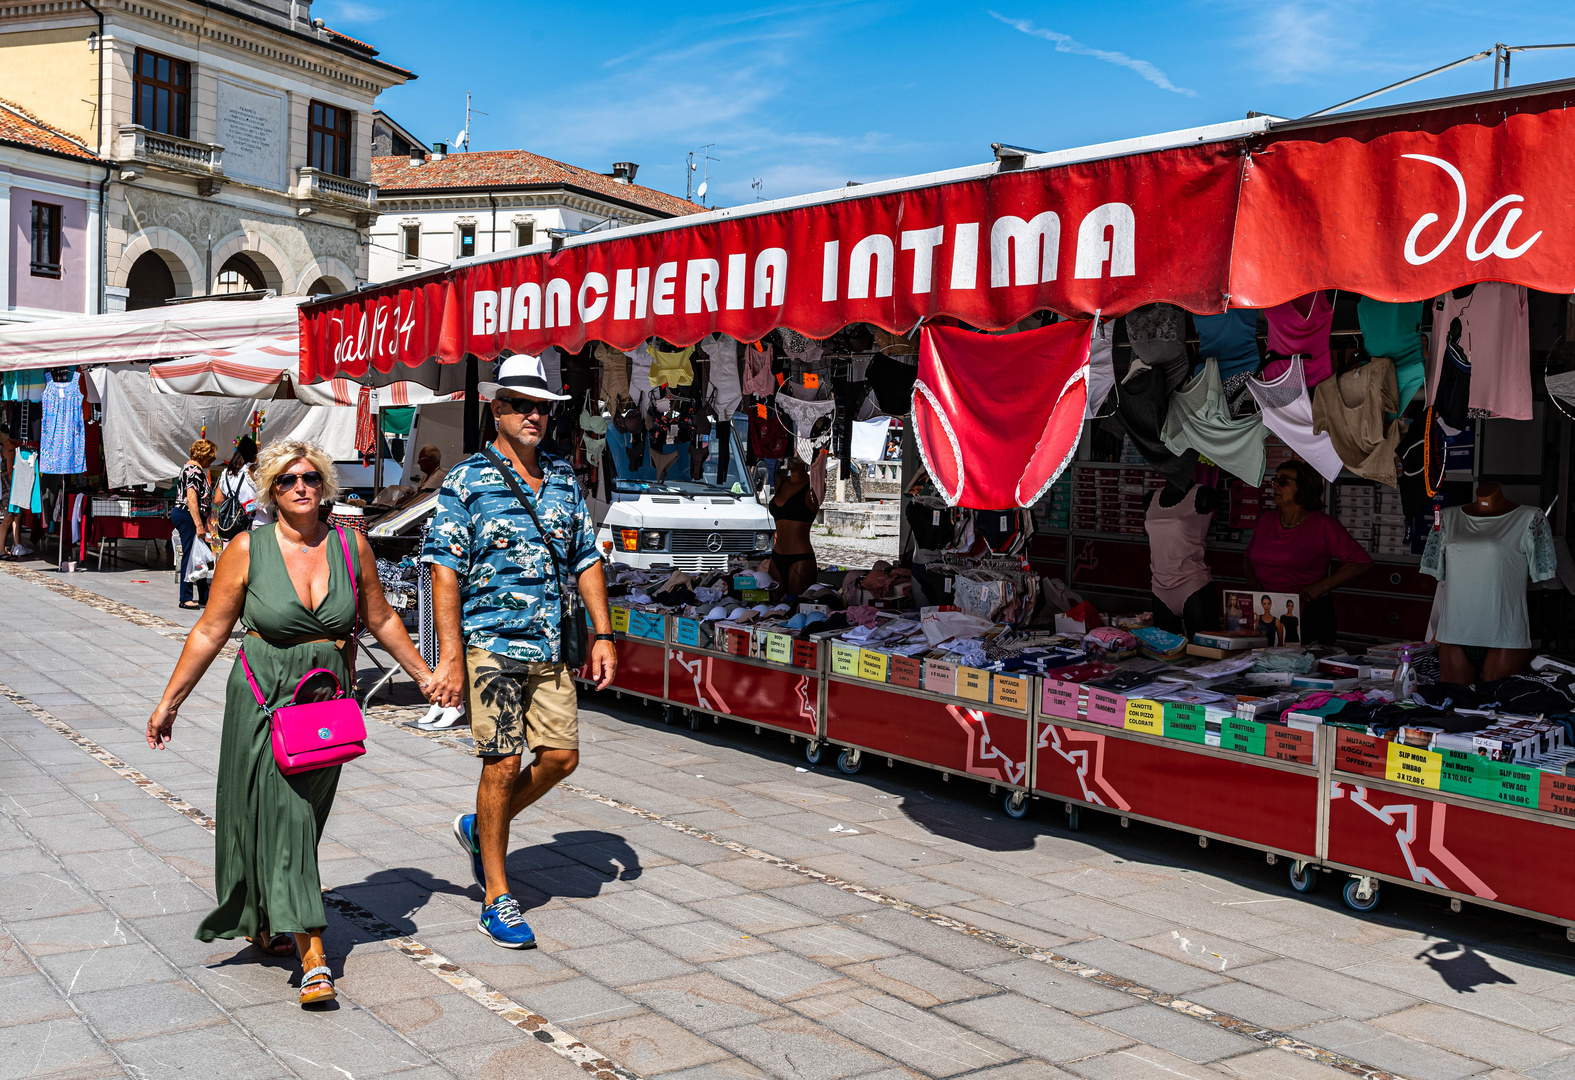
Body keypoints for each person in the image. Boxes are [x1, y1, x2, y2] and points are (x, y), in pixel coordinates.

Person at [145, 440, 437, 1007]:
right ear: (270, 491)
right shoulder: (247, 549)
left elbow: (380, 615)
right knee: (286, 815)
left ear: (323, 485)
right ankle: (314, 955)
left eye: (309, 478)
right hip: (262, 695)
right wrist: (170, 703)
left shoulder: (352, 548)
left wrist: (424, 675)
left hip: (326, 704)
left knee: (302, 816)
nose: (300, 487)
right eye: (286, 480)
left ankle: (267, 915)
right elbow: (210, 630)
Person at [424, 352, 617, 950]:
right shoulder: (466, 481)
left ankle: (480, 825)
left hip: (550, 645)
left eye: (543, 408)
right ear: (498, 409)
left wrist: (604, 633)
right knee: (502, 762)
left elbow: (586, 557)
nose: (535, 416)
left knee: (561, 757)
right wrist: (450, 657)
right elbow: (444, 573)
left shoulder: (562, 477)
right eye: (524, 406)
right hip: (490, 646)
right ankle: (497, 897)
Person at [1243, 459, 1372, 646]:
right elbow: (1247, 557)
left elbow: (1362, 562)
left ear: (1304, 487)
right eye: (1275, 480)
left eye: (1284, 481)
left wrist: (1322, 586)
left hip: (1306, 615)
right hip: (1264, 614)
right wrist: (1251, 581)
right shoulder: (1266, 521)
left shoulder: (1323, 525)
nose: (1275, 485)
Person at [173, 438, 218, 608]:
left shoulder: (188, 468)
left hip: (186, 515)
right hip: (188, 516)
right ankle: (185, 597)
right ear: (204, 455)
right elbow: (192, 499)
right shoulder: (195, 472)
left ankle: (204, 595)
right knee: (190, 555)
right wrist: (199, 525)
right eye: (211, 458)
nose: (212, 461)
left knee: (198, 557)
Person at [769, 457, 819, 593]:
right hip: (777, 555)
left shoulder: (813, 486)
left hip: (800, 557)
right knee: (773, 605)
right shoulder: (780, 483)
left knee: (795, 604)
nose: (792, 459)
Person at [215, 436, 261, 544]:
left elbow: (217, 500)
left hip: (234, 526)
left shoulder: (226, 473)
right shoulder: (254, 469)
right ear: (254, 454)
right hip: (257, 524)